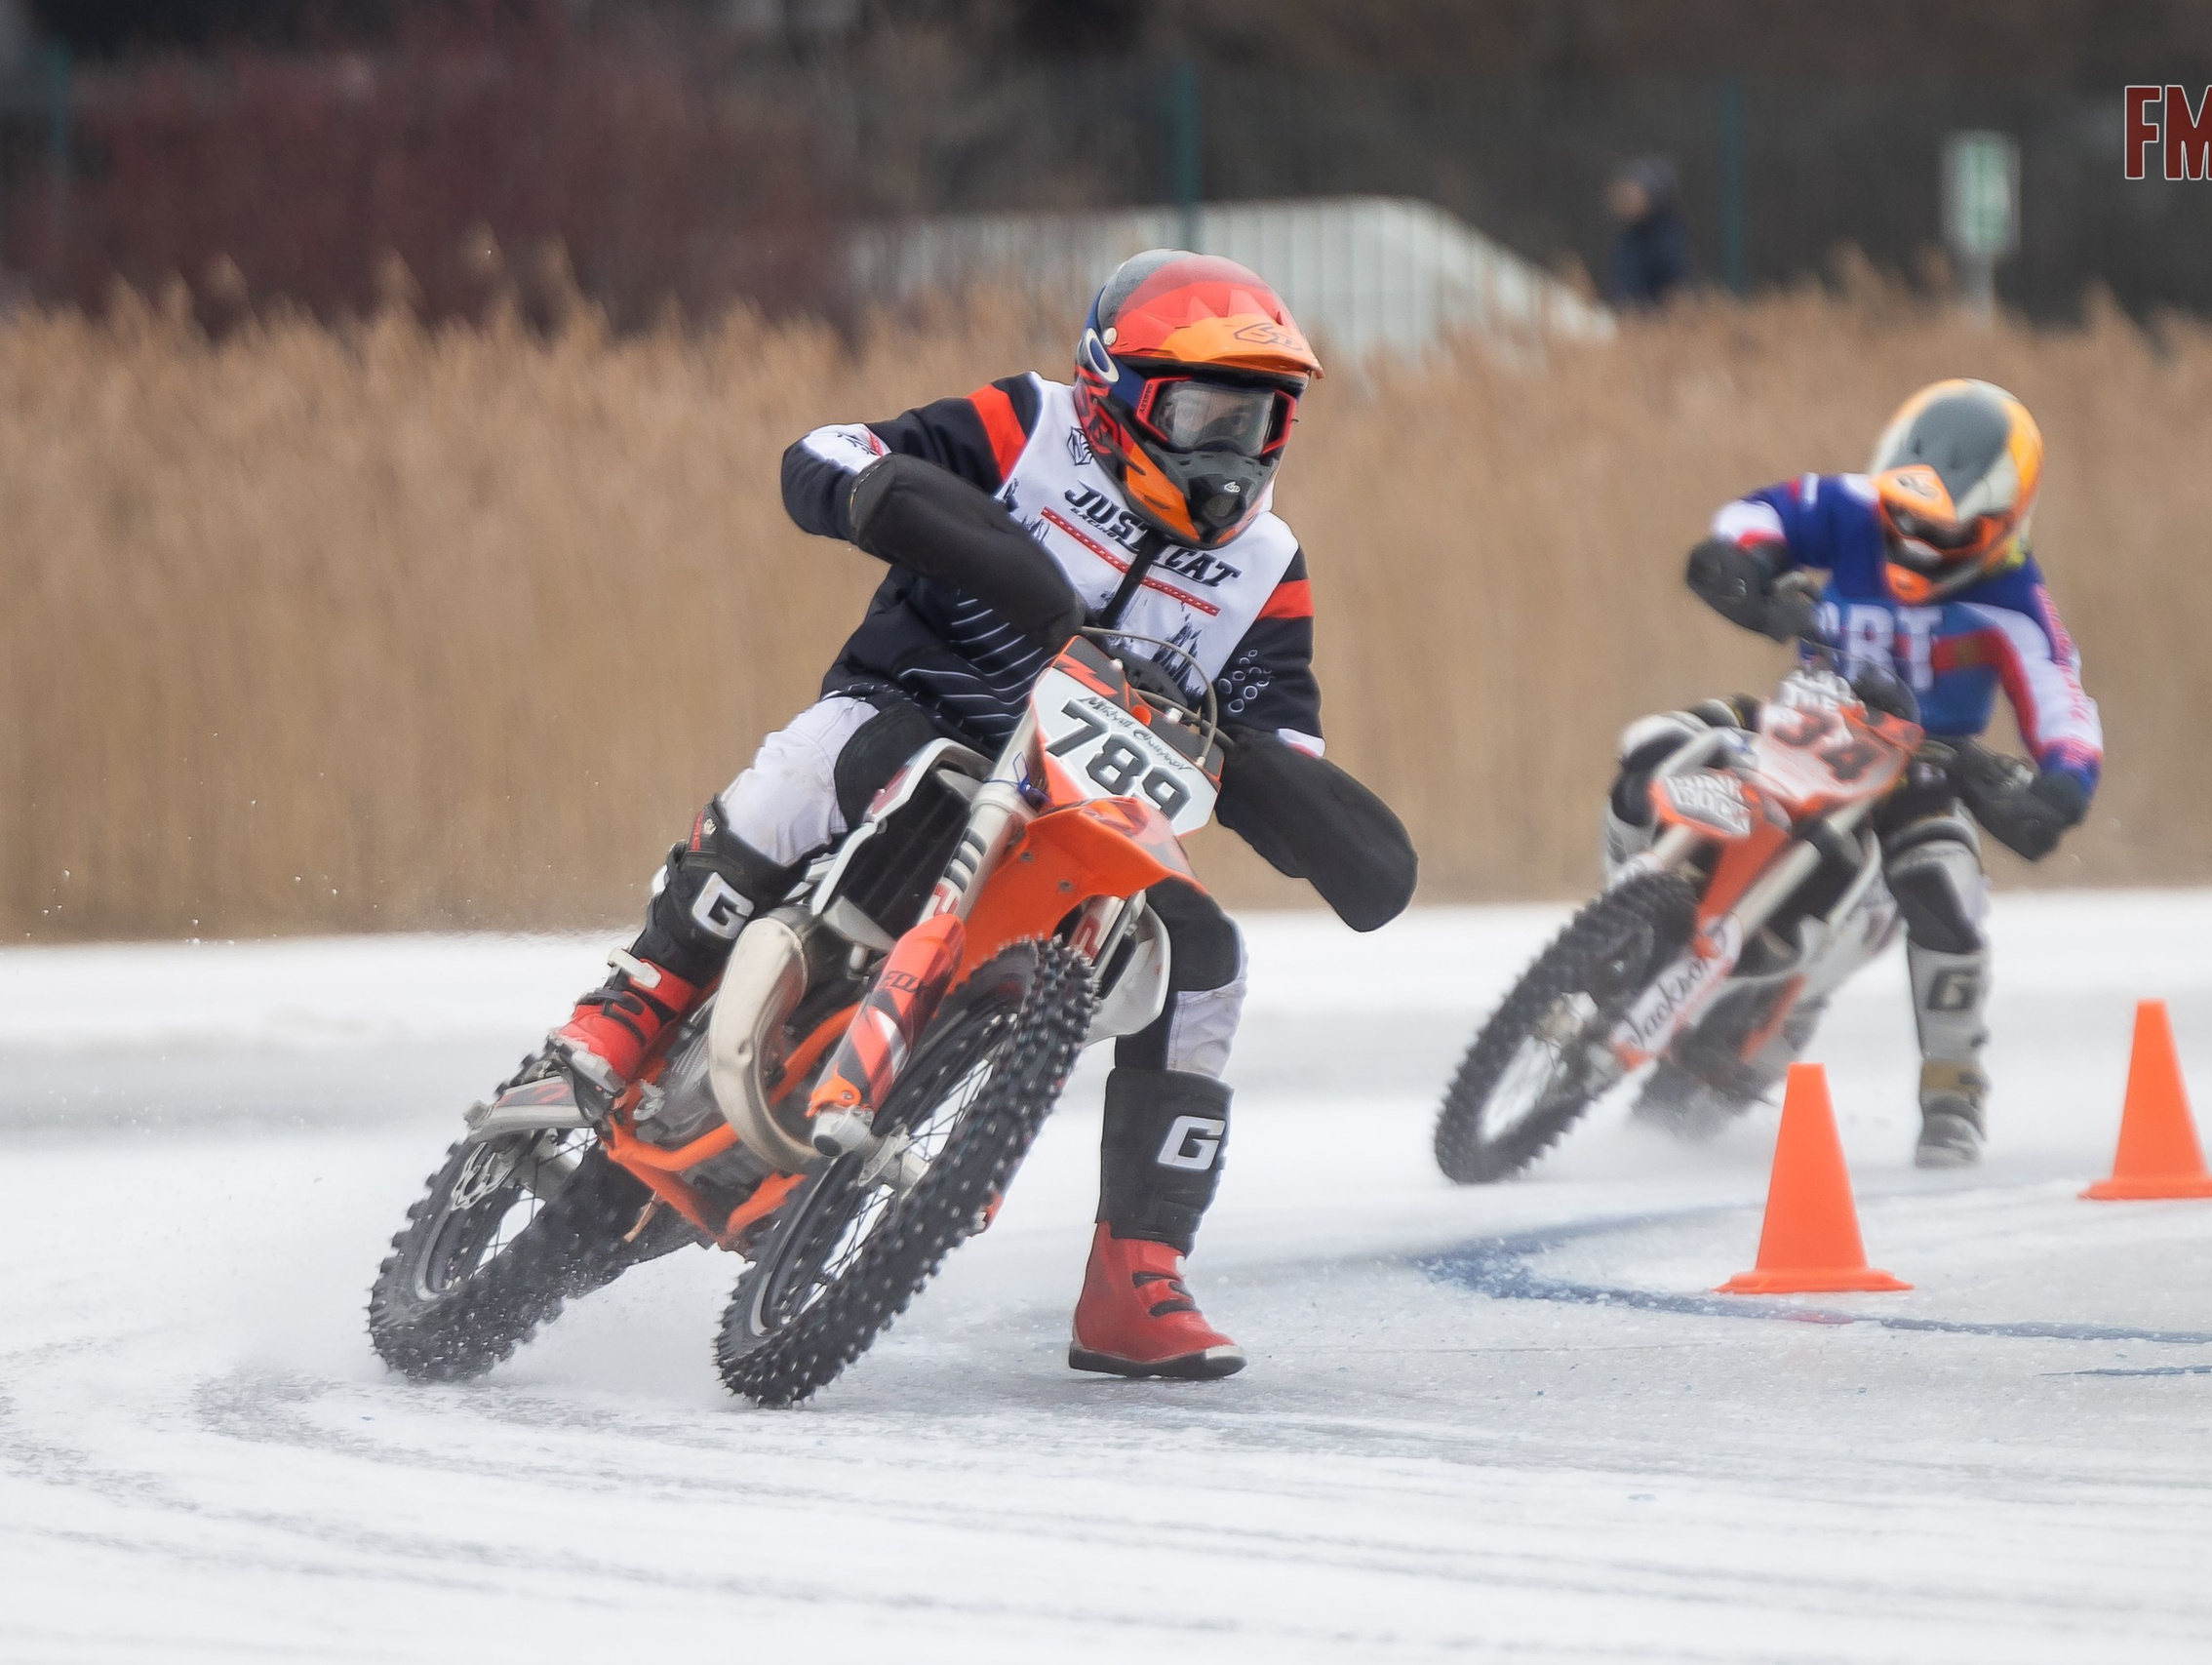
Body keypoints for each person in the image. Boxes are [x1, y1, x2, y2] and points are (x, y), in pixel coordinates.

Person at [501, 250, 1415, 1377]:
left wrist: (1261, 771)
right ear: (1114, 391)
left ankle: (1137, 1275)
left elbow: (1288, 744)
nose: (1229, 452)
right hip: (912, 718)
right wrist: (884, 500)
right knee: (819, 759)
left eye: (1257, 424)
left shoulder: (1265, 567)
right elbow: (841, 452)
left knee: (1208, 954)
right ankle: (621, 1022)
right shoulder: (1025, 426)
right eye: (1201, 415)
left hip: (1081, 816)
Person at [1603, 378, 2103, 1167]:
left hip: (1918, 775)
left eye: (1940, 527)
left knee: (1947, 883)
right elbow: (1759, 513)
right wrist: (1745, 567)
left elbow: (2062, 699)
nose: (1911, 534)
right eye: (1903, 511)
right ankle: (1621, 916)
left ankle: (1953, 1089)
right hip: (1803, 722)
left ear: (1999, 523)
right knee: (1658, 745)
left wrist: (2062, 783)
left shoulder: (2016, 601)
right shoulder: (1845, 508)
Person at [1602, 159, 1689, 310]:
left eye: (1632, 195)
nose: (1625, 202)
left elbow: (1675, 292)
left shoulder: (1667, 238)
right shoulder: (1627, 238)